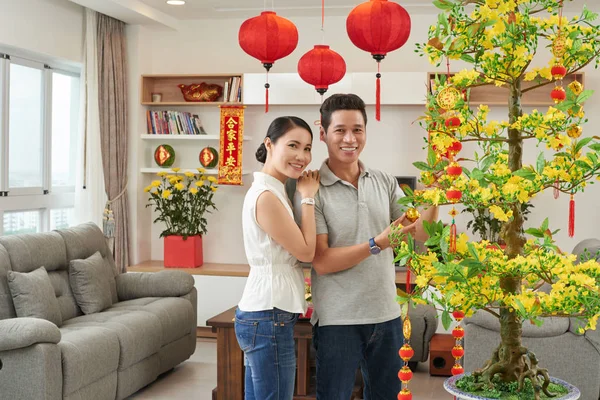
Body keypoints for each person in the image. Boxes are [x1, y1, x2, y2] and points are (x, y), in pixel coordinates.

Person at [298, 94, 438, 399]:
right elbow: (321, 261)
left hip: (386, 316)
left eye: (358, 130)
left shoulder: (384, 181)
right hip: (338, 321)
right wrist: (377, 244)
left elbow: (422, 235)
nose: (350, 139)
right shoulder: (311, 188)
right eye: (340, 130)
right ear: (322, 133)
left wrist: (434, 194)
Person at [235, 116, 320, 400]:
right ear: (269, 144)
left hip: (264, 313)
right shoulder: (267, 195)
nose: (302, 156)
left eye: (307, 148)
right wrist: (308, 197)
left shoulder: (273, 188)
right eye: (293, 145)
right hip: (267, 315)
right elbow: (307, 252)